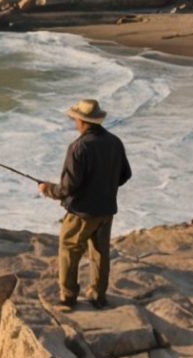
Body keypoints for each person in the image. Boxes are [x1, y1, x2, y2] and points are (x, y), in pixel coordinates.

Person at [36, 99, 131, 310]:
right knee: (100, 252)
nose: (73, 122)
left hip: (82, 212)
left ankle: (68, 297)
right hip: (106, 209)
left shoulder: (78, 147)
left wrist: (47, 189)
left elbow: (67, 188)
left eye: (75, 118)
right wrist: (103, 186)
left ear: (82, 121)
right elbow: (125, 175)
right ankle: (98, 296)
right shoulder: (115, 142)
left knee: (69, 248)